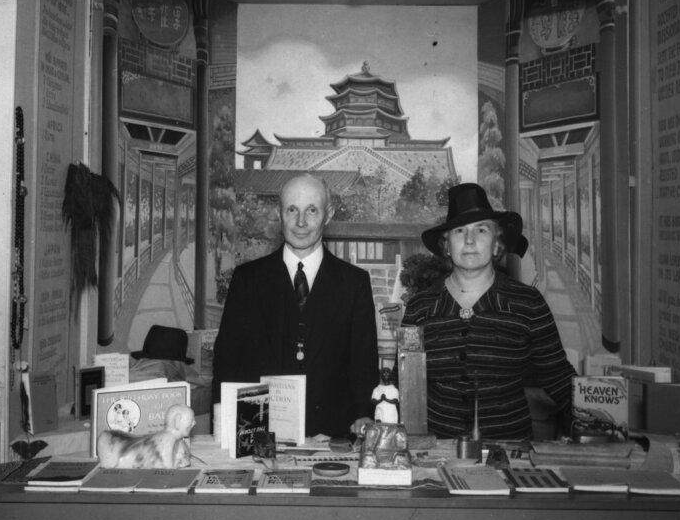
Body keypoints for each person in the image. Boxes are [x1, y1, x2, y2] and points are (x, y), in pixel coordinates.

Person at [401, 183, 576, 441]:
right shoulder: (421, 307)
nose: (470, 240)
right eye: (459, 231)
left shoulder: (527, 303)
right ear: (447, 246)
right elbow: (403, 382)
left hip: (509, 453)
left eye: (481, 230)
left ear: (497, 245)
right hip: (436, 454)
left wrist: (596, 423)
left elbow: (559, 378)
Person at [212, 173, 379, 438]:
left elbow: (364, 363)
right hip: (258, 436)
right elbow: (227, 361)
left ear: (328, 214)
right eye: (292, 210)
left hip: (333, 439)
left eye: (312, 210)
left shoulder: (354, 283)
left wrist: (363, 419)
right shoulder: (247, 280)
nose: (301, 222)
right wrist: (226, 430)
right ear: (279, 214)